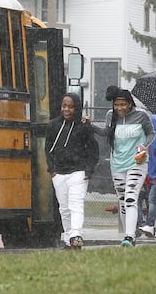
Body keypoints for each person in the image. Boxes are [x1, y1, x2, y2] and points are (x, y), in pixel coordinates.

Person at [93, 86, 155, 247]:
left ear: (129, 104)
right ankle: (130, 231)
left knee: (130, 198)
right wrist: (89, 126)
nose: (119, 108)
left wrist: (143, 146)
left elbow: (151, 134)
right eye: (116, 105)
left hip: (137, 163)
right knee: (122, 200)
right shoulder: (110, 116)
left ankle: (129, 236)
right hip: (117, 164)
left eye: (123, 104)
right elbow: (106, 133)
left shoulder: (141, 115)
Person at [45, 93, 99, 250]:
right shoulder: (53, 125)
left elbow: (93, 150)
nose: (66, 109)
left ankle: (76, 234)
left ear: (77, 108)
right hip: (59, 173)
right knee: (64, 208)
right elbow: (48, 149)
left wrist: (88, 170)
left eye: (70, 106)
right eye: (64, 106)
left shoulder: (83, 126)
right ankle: (70, 238)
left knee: (76, 203)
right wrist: (52, 170)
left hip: (78, 171)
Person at [138, 114, 156, 239]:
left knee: (153, 200)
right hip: (148, 176)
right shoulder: (145, 141)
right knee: (153, 202)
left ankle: (150, 224)